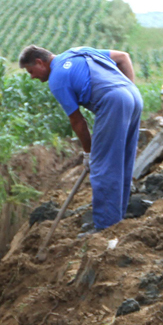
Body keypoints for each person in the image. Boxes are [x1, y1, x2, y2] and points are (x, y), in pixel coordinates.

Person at [19, 44, 143, 233]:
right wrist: (128, 91)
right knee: (122, 161)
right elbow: (123, 57)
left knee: (103, 167)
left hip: (113, 102)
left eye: (31, 71)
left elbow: (77, 121)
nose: (32, 76)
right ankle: (117, 219)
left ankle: (105, 227)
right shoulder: (80, 51)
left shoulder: (57, 78)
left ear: (39, 62)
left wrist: (88, 153)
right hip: (133, 97)